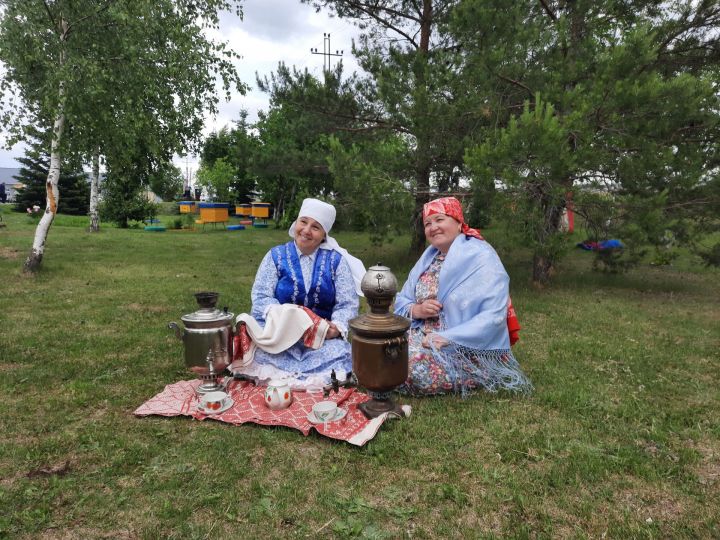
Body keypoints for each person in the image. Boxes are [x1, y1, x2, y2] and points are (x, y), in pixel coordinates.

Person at [394, 196, 531, 396]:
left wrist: (446, 337)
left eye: (440, 220)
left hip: (462, 348)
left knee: (413, 370)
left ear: (458, 223)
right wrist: (417, 310)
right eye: (427, 224)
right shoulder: (428, 257)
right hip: (420, 335)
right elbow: (402, 299)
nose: (433, 228)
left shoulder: (481, 257)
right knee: (377, 350)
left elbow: (493, 315)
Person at [232, 198, 366, 389]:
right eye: (304, 222)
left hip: (320, 340)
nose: (306, 230)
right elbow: (261, 296)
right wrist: (283, 317)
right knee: (260, 352)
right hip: (280, 336)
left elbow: (347, 303)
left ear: (323, 235)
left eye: (316, 227)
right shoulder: (275, 256)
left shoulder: (336, 262)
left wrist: (336, 327)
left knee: (341, 353)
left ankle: (293, 380)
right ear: (296, 223)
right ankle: (305, 381)